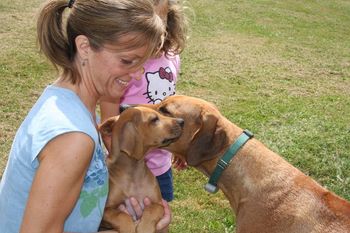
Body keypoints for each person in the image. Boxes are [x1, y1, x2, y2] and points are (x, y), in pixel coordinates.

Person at [0, 0, 171, 232]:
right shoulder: (72, 136)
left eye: (142, 63)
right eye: (128, 61)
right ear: (84, 47)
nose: (138, 74)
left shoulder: (67, 103)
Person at [100, 0, 188, 202]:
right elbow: (109, 125)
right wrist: (128, 166)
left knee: (160, 217)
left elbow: (167, 107)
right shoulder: (124, 64)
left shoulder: (171, 56)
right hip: (128, 169)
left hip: (160, 166)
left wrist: (178, 145)